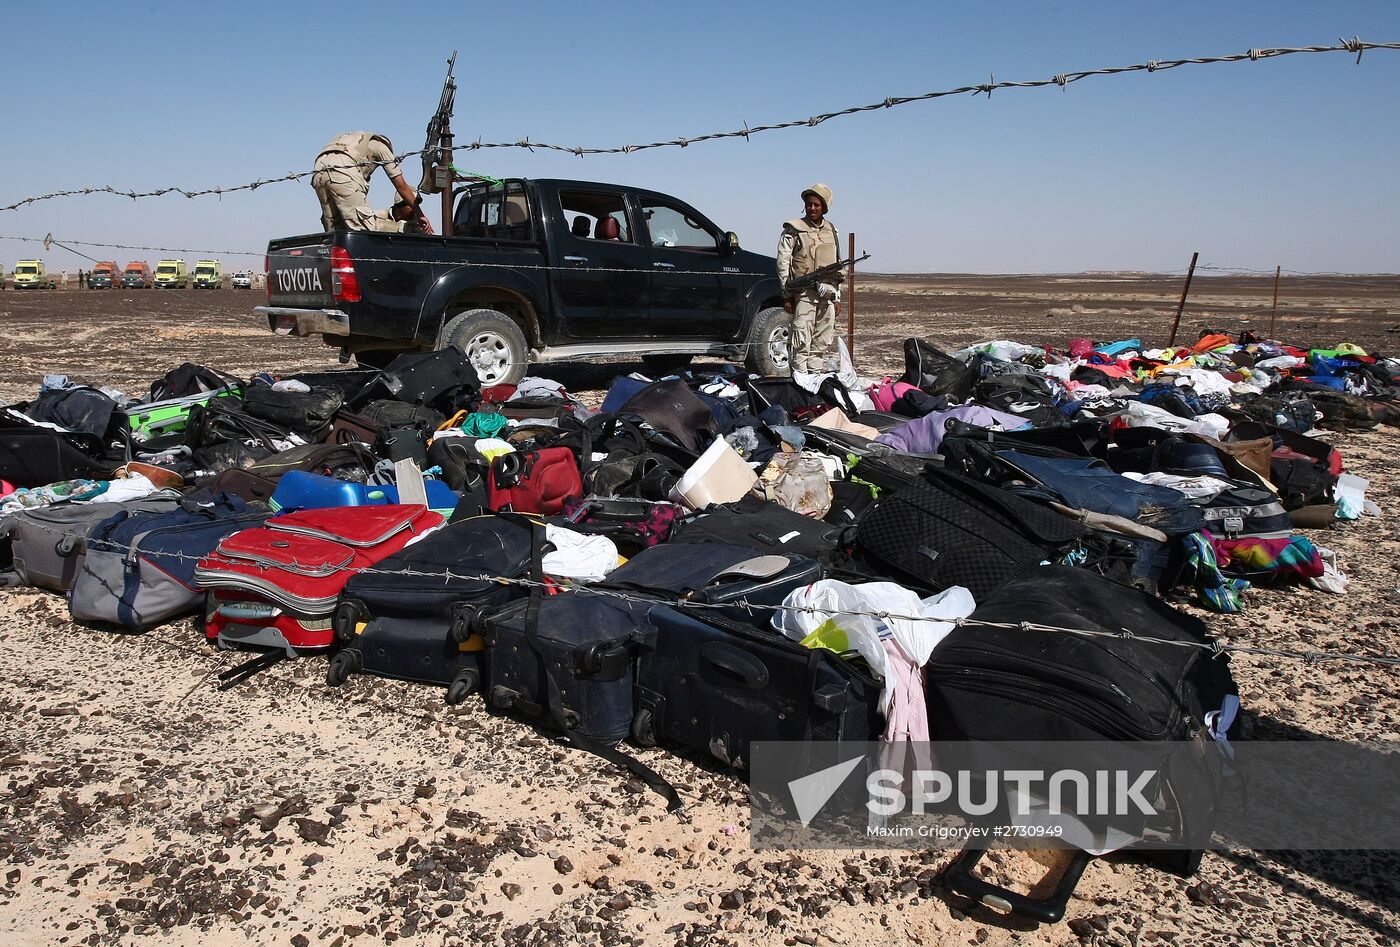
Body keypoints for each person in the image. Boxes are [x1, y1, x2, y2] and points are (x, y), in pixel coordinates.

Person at [311, 131, 434, 234]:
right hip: (344, 169)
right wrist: (420, 215)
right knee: (364, 226)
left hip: (318, 167)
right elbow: (401, 186)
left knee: (334, 230)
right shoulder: (381, 147)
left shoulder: (357, 140)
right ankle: (408, 229)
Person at [775, 183, 840, 375]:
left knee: (820, 343)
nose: (812, 208)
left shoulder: (832, 231)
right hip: (803, 294)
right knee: (801, 342)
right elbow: (782, 264)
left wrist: (837, 298)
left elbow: (837, 267)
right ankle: (800, 385)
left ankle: (814, 384)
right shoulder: (794, 229)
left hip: (827, 294)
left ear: (824, 207)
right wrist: (787, 296)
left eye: (816, 205)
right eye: (809, 204)